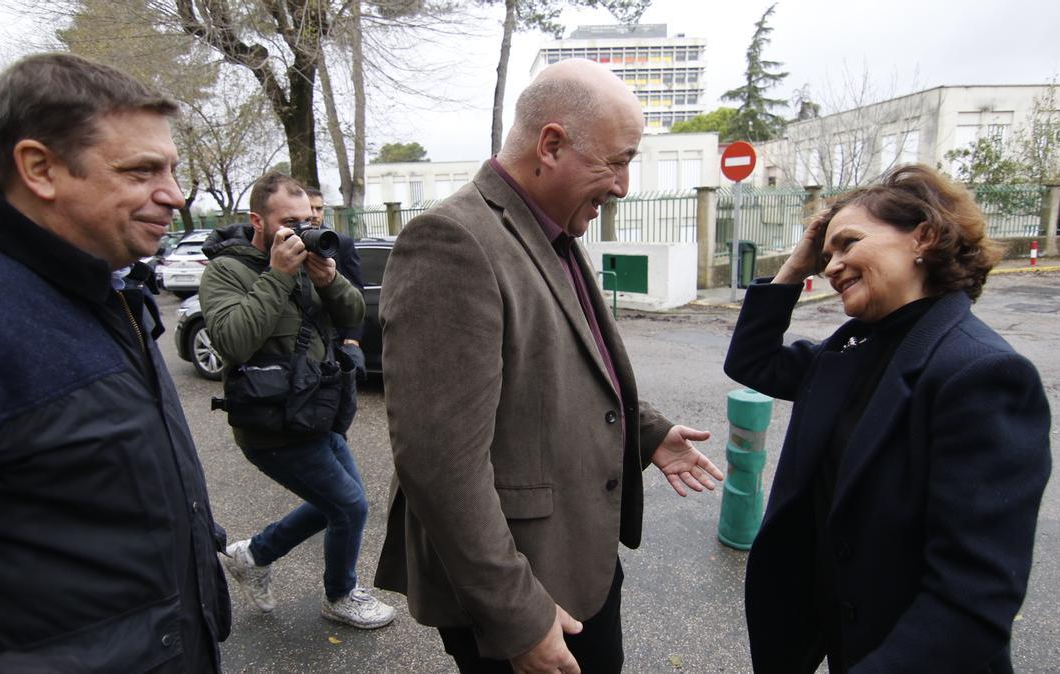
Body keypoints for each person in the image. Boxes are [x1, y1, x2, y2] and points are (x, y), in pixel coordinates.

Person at [373, 58, 724, 673]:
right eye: (617, 161)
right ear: (552, 145)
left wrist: (646, 432)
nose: (622, 186)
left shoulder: (548, 229)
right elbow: (439, 463)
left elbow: (554, 369)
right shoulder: (452, 242)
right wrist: (517, 616)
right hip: (524, 587)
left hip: (572, 560)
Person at [0, 53, 231, 672]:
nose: (174, 194)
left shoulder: (107, 286)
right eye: (141, 171)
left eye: (172, 169)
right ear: (40, 168)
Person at [724, 164, 1052, 673]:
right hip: (841, 639)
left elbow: (970, 600)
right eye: (826, 253)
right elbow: (752, 362)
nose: (831, 266)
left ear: (924, 236)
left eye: (849, 243)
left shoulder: (981, 373)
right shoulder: (849, 349)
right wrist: (795, 266)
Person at [199, 172, 396, 629]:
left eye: (308, 219)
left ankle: (254, 555)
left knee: (343, 503)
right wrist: (277, 275)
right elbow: (233, 341)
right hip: (271, 424)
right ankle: (340, 594)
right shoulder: (226, 271)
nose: (303, 230)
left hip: (319, 412)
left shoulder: (310, 262)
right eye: (290, 222)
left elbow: (352, 317)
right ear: (257, 221)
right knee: (348, 506)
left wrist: (329, 280)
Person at [303, 185, 366, 378]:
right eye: (309, 208)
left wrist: (353, 338)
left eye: (319, 208)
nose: (314, 214)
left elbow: (356, 291)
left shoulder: (340, 242)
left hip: (335, 335)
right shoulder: (286, 243)